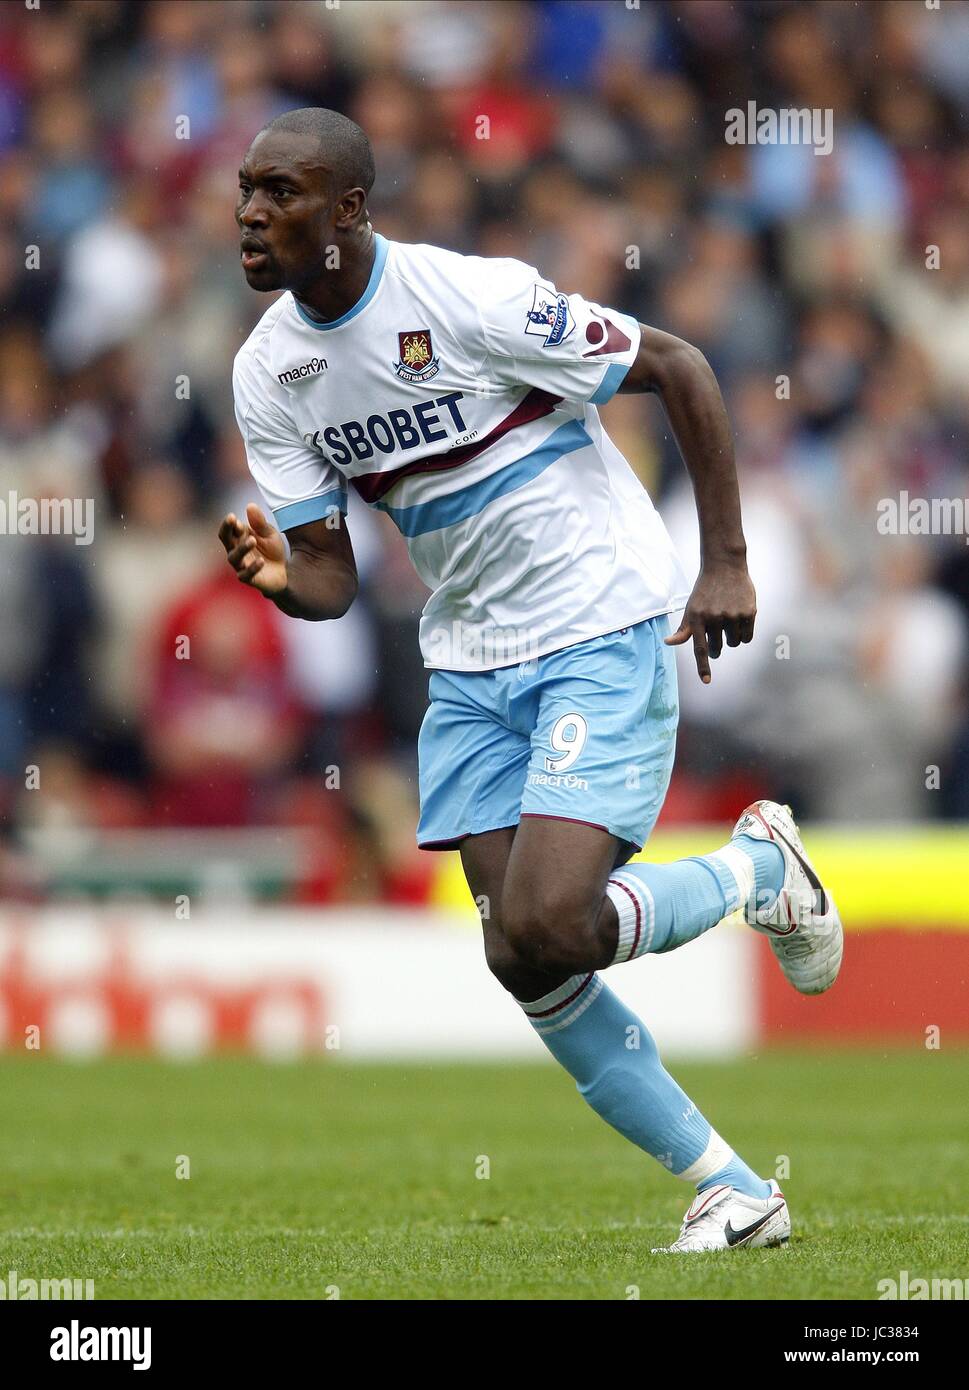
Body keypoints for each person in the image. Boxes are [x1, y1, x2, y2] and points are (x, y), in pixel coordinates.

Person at [220, 108, 843, 1253]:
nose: (252, 213)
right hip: (466, 659)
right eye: (247, 190)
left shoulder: (471, 299)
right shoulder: (270, 373)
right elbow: (330, 576)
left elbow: (678, 365)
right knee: (521, 951)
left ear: (349, 210)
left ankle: (761, 867)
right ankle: (734, 1188)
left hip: (595, 616)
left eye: (283, 192)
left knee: (556, 915)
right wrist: (279, 577)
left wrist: (726, 560)